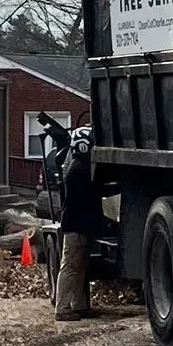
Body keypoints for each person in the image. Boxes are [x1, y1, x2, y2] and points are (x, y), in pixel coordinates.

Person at [54, 124, 95, 320]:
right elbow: (95, 192)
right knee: (70, 266)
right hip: (75, 227)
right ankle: (62, 308)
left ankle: (79, 304)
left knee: (80, 267)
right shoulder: (80, 170)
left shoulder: (76, 166)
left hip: (80, 225)